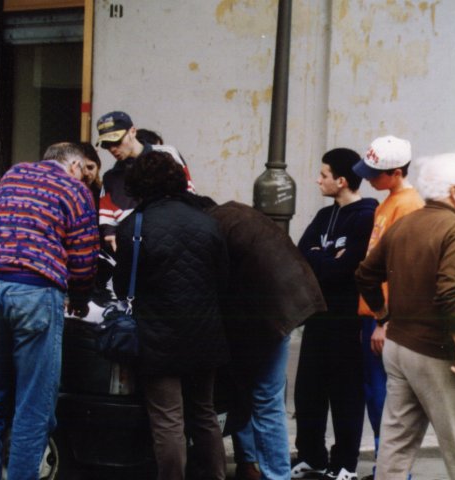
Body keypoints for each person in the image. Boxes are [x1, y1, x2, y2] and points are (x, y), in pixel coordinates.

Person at [0, 142, 99, 480]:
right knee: (33, 406)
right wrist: (80, 299)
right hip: (36, 291)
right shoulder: (74, 189)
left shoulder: (13, 175)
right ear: (73, 165)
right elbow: (84, 259)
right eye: (85, 170)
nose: (85, 178)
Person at [113, 150, 228, 480]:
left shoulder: (134, 226)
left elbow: (123, 287)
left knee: (168, 419)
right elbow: (224, 279)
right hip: (205, 333)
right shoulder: (208, 222)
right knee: (204, 413)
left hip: (158, 336)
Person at [355, 152, 455, 480]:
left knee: (396, 444)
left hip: (399, 347)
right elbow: (451, 290)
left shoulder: (406, 222)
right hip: (436, 352)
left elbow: (365, 274)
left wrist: (383, 316)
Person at [203, 200, 326, 480]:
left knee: (264, 396)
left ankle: (270, 472)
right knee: (259, 393)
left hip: (268, 314)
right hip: (285, 303)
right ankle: (255, 465)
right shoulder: (234, 215)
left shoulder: (213, 227)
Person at [292, 148, 378, 480]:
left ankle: (344, 465)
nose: (318, 179)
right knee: (308, 393)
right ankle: (312, 457)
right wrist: (330, 259)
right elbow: (300, 255)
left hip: (348, 322)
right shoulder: (323, 215)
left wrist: (323, 258)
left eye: (324, 174)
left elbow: (348, 270)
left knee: (346, 396)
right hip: (317, 318)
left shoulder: (366, 216)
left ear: (341, 181)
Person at [351, 135, 424, 479]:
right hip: (375, 315)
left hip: (385, 318)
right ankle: (387, 468)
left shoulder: (407, 205)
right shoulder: (389, 201)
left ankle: (394, 471)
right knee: (377, 396)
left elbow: (404, 269)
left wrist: (386, 320)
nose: (368, 178)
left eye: (375, 173)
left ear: (395, 173)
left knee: (386, 400)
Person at [96, 111, 194, 252]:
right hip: (131, 247)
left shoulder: (167, 154)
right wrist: (110, 234)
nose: (112, 148)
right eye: (106, 144)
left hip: (173, 240)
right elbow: (106, 216)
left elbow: (189, 194)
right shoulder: (110, 177)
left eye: (116, 141)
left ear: (133, 132)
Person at [78, 141, 103, 210]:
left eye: (90, 167)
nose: (86, 173)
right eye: (80, 168)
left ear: (98, 166)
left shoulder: (104, 194)